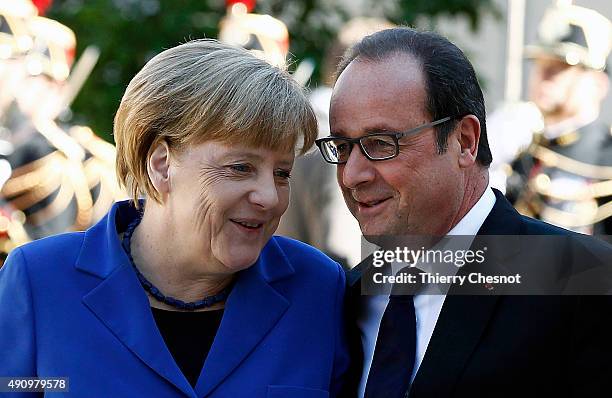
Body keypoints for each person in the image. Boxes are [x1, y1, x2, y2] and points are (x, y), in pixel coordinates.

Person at [0, 39, 349, 397]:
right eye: (240, 167)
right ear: (161, 165)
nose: (270, 197)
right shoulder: (39, 280)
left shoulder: (318, 288)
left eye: (282, 173)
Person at [314, 27, 612, 397]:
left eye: (381, 143)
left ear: (465, 141)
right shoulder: (344, 297)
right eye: (343, 147)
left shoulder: (583, 281)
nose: (352, 174)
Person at [492, 3, 612, 235]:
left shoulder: (606, 157)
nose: (544, 76)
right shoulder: (520, 148)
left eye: (561, 67)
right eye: (541, 63)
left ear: (598, 84)